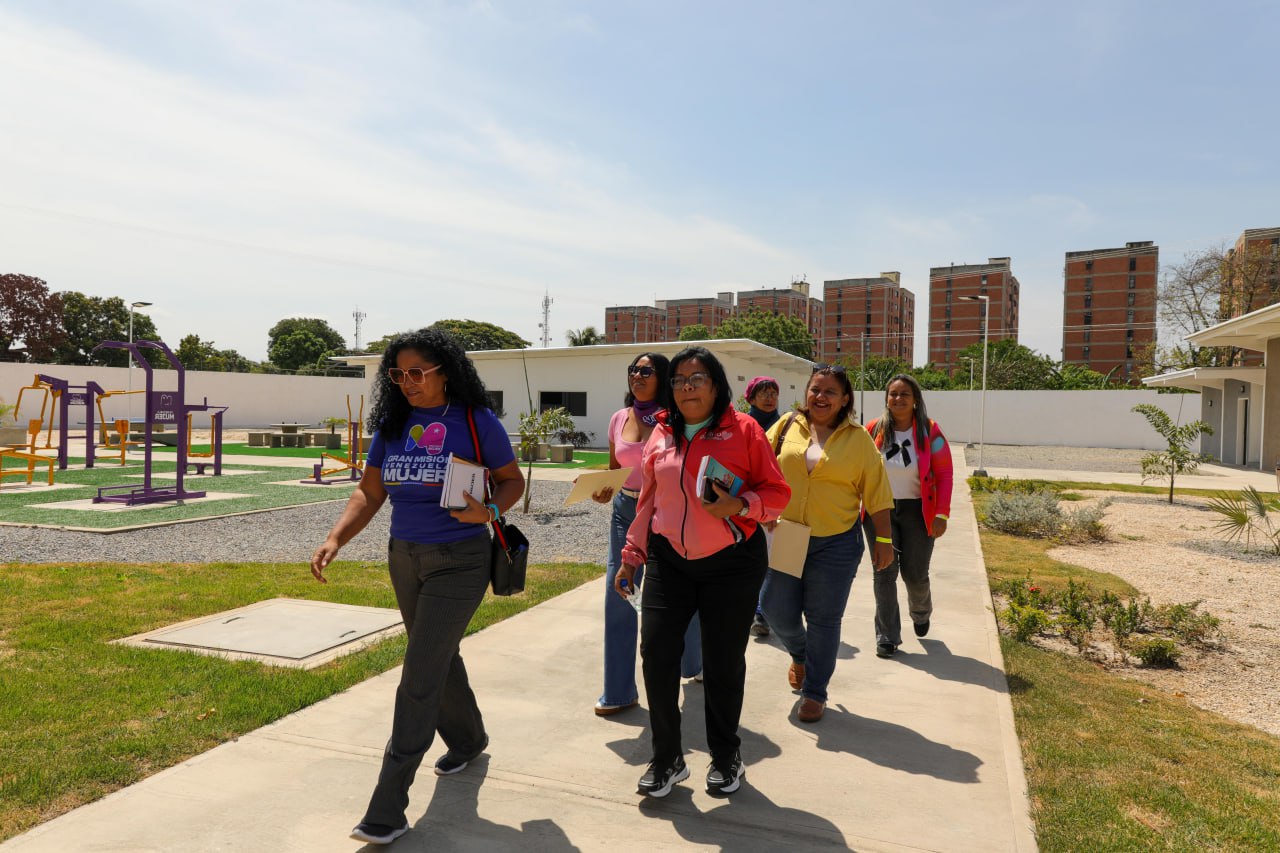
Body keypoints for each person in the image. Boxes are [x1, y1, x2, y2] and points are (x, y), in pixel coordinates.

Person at [310, 328, 524, 847]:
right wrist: (336, 536)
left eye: (417, 373)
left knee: (419, 675)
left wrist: (489, 510)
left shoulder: (476, 421)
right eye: (397, 374)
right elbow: (371, 489)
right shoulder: (394, 423)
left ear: (444, 372)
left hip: (461, 559)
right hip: (403, 556)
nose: (407, 383)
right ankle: (470, 739)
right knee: (437, 655)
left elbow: (512, 479)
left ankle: (387, 807)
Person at [617, 346, 790, 799]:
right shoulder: (662, 432)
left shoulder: (745, 430)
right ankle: (668, 758)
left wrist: (742, 505)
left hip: (731, 564)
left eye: (697, 379)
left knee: (722, 662)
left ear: (717, 386)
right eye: (678, 380)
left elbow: (778, 492)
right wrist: (633, 553)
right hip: (669, 561)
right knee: (655, 654)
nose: (686, 387)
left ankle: (726, 754)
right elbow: (648, 500)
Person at [762, 364, 895, 723]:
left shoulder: (859, 440)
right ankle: (801, 655)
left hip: (835, 542)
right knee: (774, 609)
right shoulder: (788, 426)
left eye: (830, 392)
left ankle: (815, 692)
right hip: (788, 534)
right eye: (815, 389)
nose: (820, 397)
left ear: (845, 399)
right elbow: (759, 465)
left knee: (823, 618)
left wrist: (883, 539)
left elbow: (878, 493)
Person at [591, 352, 702, 717]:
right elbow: (613, 469)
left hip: (668, 514)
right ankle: (619, 692)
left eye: (646, 371)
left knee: (675, 597)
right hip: (625, 513)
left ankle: (694, 662)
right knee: (620, 595)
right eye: (633, 370)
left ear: (663, 377)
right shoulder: (618, 418)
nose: (637, 376)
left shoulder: (674, 420)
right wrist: (602, 487)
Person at [863, 374, 953, 658]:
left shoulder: (930, 432)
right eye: (893, 394)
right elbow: (858, 469)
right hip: (880, 510)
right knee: (884, 572)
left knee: (914, 574)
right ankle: (887, 636)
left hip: (918, 511)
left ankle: (921, 612)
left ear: (915, 400)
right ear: (886, 399)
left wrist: (942, 514)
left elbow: (945, 473)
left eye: (904, 394)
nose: (898, 399)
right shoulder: (873, 430)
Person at [743, 375, 781, 637]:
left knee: (771, 562)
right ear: (752, 398)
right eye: (764, 393)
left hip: (775, 506)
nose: (769, 398)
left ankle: (761, 613)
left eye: (773, 393)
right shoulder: (742, 426)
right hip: (743, 503)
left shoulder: (787, 426)